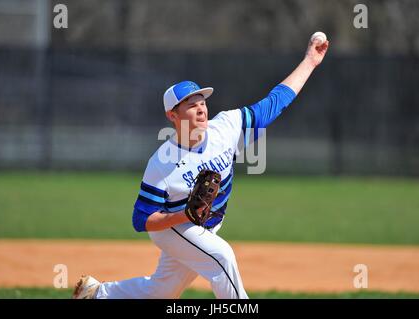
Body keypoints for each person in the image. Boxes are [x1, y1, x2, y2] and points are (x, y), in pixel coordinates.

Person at [73, 35, 329, 299]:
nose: (201, 109)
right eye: (191, 104)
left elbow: (275, 102)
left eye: (203, 102)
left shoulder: (227, 127)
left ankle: (97, 294)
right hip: (173, 229)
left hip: (205, 226)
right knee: (222, 257)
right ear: (172, 115)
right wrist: (184, 215)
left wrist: (310, 61)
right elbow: (141, 219)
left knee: (161, 291)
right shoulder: (162, 162)